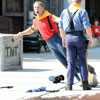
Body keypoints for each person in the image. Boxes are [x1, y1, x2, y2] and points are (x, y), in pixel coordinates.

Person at [59, 0, 93, 90]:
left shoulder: (64, 12)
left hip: (68, 38)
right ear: (80, 2)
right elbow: (87, 26)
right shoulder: (82, 11)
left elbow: (61, 27)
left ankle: (69, 85)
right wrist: (90, 38)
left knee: (70, 62)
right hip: (79, 37)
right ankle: (85, 84)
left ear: (71, 2)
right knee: (82, 60)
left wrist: (63, 39)